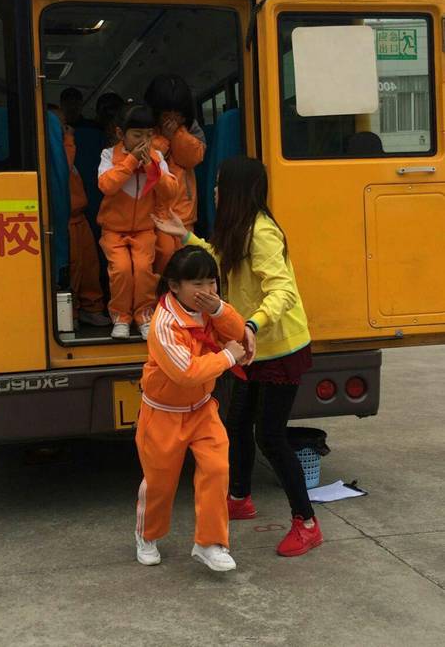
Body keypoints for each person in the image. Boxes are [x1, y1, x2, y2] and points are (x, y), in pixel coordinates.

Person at [152, 157, 323, 558]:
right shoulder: (237, 228)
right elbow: (221, 256)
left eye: (219, 184)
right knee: (237, 422)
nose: (214, 191)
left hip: (279, 347)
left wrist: (251, 324)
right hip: (250, 344)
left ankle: (307, 523)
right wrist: (187, 237)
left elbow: (283, 291)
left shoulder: (262, 232)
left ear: (235, 190)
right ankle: (240, 498)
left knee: (270, 436)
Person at [135, 245, 247, 571]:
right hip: (163, 413)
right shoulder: (163, 324)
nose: (207, 291)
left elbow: (237, 332)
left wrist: (221, 309)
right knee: (159, 483)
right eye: (197, 284)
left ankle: (210, 543)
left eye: (211, 282)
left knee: (217, 469)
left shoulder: (210, 307)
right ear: (174, 285)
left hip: (202, 408)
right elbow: (186, 373)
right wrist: (227, 357)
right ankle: (147, 535)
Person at [97, 104, 177, 340]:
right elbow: (106, 185)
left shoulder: (157, 157)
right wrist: (131, 162)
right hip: (113, 230)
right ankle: (121, 317)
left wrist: (151, 167)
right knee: (121, 270)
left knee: (143, 271)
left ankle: (144, 315)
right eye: (137, 135)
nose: (144, 141)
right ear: (121, 134)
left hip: (144, 229)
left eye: (149, 135)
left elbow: (170, 191)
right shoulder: (109, 155)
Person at [48, 104, 109, 329]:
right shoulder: (56, 151)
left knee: (90, 268)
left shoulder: (67, 148)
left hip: (80, 218)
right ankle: (70, 312)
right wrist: (67, 139)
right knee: (71, 268)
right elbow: (64, 167)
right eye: (61, 126)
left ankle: (92, 308)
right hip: (65, 220)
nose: (67, 130)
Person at [144, 75, 206, 273]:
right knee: (160, 258)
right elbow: (145, 160)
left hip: (183, 212)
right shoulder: (143, 127)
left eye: (177, 114)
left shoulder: (191, 128)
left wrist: (176, 136)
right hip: (150, 212)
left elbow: (192, 158)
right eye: (165, 113)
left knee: (185, 262)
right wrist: (163, 140)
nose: (171, 119)